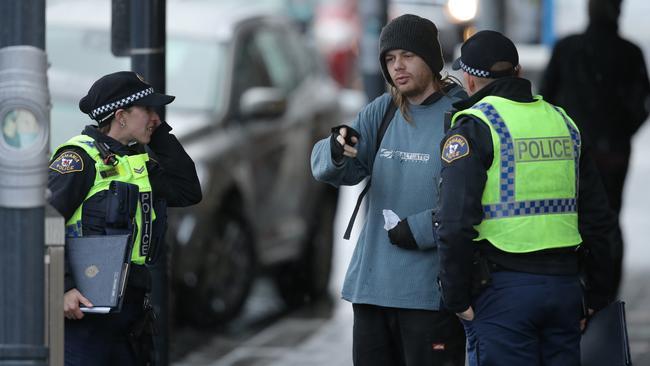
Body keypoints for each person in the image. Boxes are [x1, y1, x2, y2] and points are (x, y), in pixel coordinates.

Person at [436, 30, 618, 365]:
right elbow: (598, 217)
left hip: (502, 293)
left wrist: (456, 297)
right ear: (518, 73)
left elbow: (454, 222)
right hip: (564, 288)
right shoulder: (563, 122)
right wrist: (596, 294)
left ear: (469, 81)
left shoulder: (476, 127)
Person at [311, 14, 466, 366]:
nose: (397, 66)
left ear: (430, 58)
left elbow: (471, 204)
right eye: (390, 59)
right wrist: (336, 149)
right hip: (372, 291)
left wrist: (420, 230)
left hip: (430, 297)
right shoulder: (383, 110)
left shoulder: (459, 116)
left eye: (407, 56)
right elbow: (328, 169)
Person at [48, 71, 202, 366]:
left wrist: (158, 133)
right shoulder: (78, 159)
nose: (155, 116)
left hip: (129, 311)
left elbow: (188, 191)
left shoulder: (136, 160)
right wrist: (63, 287)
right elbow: (45, 221)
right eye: (148, 110)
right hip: (84, 313)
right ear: (121, 115)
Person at [540, 0, 650, 294]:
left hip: (569, 152)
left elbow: (545, 99)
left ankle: (574, 283)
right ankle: (606, 288)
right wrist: (620, 132)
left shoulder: (567, 48)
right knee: (609, 217)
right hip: (612, 152)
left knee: (568, 214)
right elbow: (642, 105)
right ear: (619, 11)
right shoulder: (629, 53)